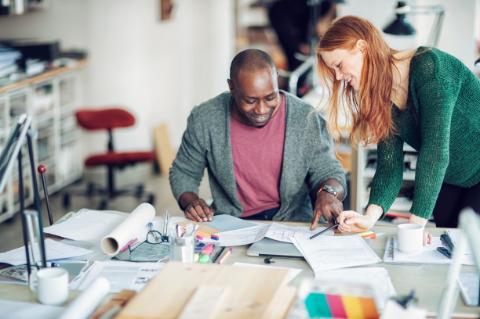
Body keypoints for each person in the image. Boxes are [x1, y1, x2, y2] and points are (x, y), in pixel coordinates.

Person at [316, 16, 480, 232]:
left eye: (338, 65)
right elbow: (389, 166)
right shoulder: (383, 98)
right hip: (452, 179)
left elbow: (436, 151)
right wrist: (369, 217)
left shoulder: (431, 67)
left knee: (469, 253)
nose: (337, 77)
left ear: (362, 48)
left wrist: (415, 224)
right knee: (447, 250)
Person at [169, 49, 346, 228]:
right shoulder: (205, 119)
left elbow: (328, 172)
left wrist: (328, 193)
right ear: (232, 87)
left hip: (292, 223)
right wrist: (191, 201)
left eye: (270, 97)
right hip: (232, 224)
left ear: (276, 79)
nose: (261, 109)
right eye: (250, 101)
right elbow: (184, 172)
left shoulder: (305, 118)